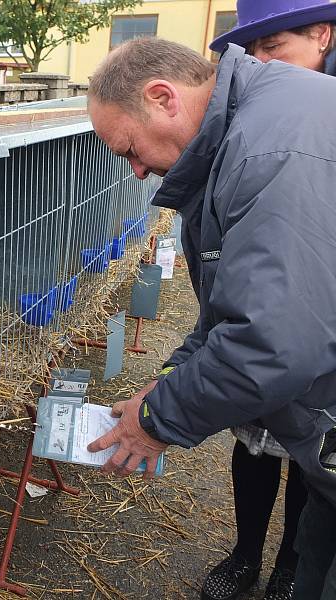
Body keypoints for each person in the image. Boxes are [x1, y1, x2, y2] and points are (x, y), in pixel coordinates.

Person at [84, 37, 336, 600]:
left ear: (162, 98)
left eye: (128, 148)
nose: (137, 171)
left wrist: (154, 421)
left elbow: (272, 340)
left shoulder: (270, 153)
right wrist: (167, 383)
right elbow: (229, 310)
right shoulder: (248, 134)